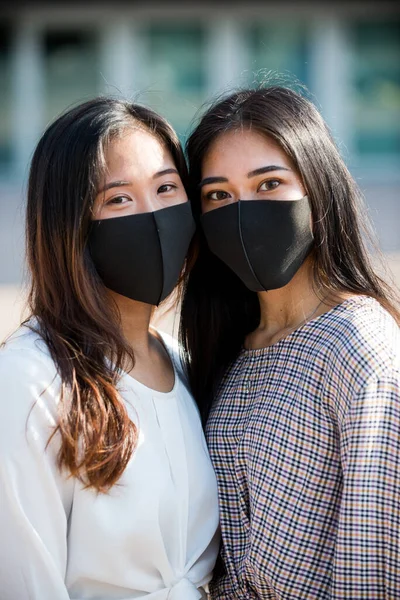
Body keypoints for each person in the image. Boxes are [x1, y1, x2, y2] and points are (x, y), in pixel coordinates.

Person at [179, 85, 400, 599]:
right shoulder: (229, 350)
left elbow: (374, 567)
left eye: (269, 183)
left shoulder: (360, 348)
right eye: (218, 195)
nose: (242, 212)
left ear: (318, 188)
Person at [0, 97, 219, 600]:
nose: (154, 216)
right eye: (119, 199)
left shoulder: (182, 362)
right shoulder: (30, 381)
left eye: (167, 189)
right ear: (69, 225)